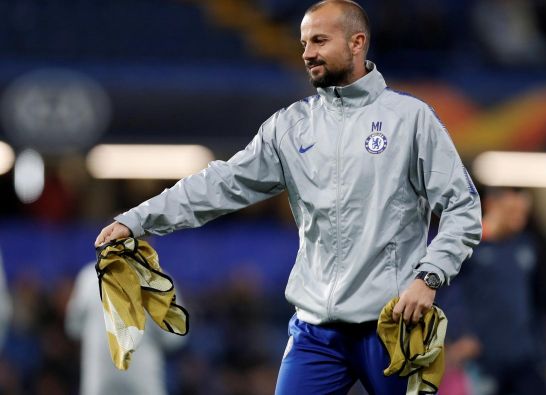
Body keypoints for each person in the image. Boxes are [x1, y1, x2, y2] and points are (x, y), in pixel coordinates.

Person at [95, 1, 482, 393]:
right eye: (302, 44)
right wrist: (137, 219)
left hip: (392, 323)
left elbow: (463, 208)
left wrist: (429, 277)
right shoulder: (290, 127)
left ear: (357, 43)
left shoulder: (411, 119)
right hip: (315, 331)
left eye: (319, 40)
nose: (307, 53)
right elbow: (220, 184)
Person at [438, 187, 546, 395]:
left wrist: (544, 355)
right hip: (483, 359)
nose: (519, 219)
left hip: (524, 357)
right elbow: (444, 294)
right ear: (491, 204)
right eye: (512, 211)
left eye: (523, 213)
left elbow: (534, 303)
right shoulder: (467, 246)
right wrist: (459, 333)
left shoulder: (526, 246)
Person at [65, 263, 186, 395]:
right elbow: (175, 338)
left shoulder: (89, 277)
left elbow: (73, 328)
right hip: (143, 379)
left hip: (99, 379)